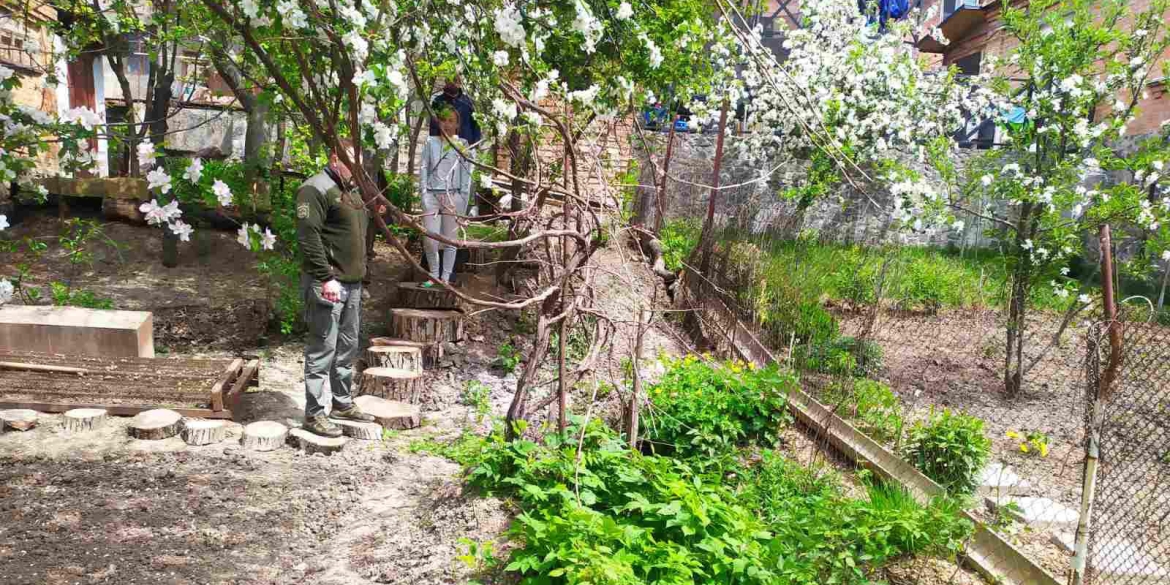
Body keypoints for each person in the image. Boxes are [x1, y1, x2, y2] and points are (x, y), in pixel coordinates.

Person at [296, 138, 380, 437]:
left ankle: (342, 403)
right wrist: (325, 277)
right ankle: (313, 413)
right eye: (351, 162)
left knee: (347, 347)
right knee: (322, 348)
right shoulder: (315, 188)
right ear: (335, 158)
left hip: (353, 283)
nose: (356, 168)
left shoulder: (352, 191)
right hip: (329, 283)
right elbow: (308, 237)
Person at [419, 107, 472, 285]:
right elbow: (424, 168)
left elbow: (466, 173)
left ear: (457, 124)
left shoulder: (462, 144)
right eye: (444, 120)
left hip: (453, 196)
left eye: (451, 121)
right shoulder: (430, 142)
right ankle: (434, 274)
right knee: (430, 239)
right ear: (439, 122)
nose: (447, 124)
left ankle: (446, 277)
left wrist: (463, 199)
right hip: (432, 196)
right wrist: (424, 193)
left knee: (451, 240)